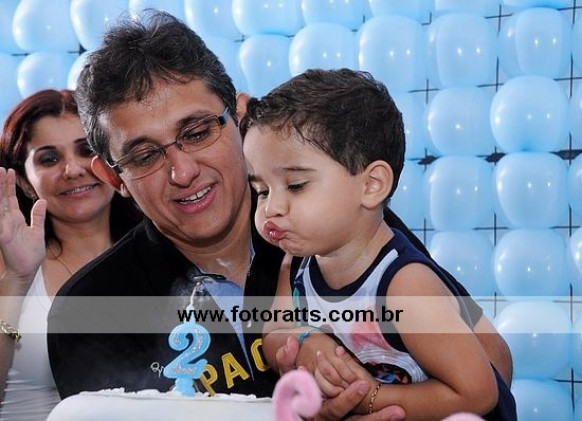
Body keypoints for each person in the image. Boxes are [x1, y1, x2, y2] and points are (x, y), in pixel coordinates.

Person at [46, 11, 511, 421]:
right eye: (145, 156)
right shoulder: (91, 309)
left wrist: (381, 404)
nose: (182, 172)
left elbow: (492, 364)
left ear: (240, 117)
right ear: (113, 177)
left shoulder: (338, 227)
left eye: (198, 131)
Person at [241, 69, 516, 420]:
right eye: (261, 190)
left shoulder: (404, 286)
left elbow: (477, 393)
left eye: (295, 186)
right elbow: (275, 331)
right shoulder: (294, 263)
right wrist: (306, 341)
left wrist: (369, 398)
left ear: (371, 185)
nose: (271, 208)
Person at [0, 89, 142, 420]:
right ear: (24, 181)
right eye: (49, 159)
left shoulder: (159, 251)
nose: (73, 169)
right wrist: (17, 281)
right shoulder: (9, 264)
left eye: (86, 150)